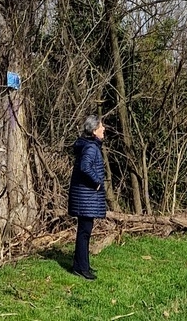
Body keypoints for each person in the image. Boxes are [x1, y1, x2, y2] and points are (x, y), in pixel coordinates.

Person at [68, 114, 107, 280]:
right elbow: (85, 167)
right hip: (86, 198)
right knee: (84, 233)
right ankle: (82, 269)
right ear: (94, 131)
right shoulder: (91, 148)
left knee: (83, 232)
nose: (104, 129)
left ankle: (80, 265)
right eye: (101, 127)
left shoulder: (87, 145)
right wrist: (97, 182)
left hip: (84, 197)